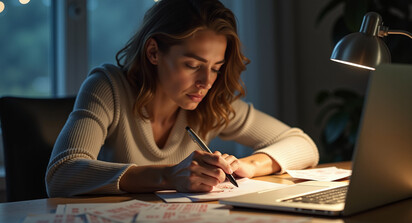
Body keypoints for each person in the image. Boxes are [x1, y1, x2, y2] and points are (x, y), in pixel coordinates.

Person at [45, 0, 319, 197]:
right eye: (192, 65)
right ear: (153, 52)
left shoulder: (210, 102)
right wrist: (168, 176)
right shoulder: (107, 87)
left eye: (215, 67)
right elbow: (62, 174)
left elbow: (304, 145)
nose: (206, 82)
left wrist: (245, 166)